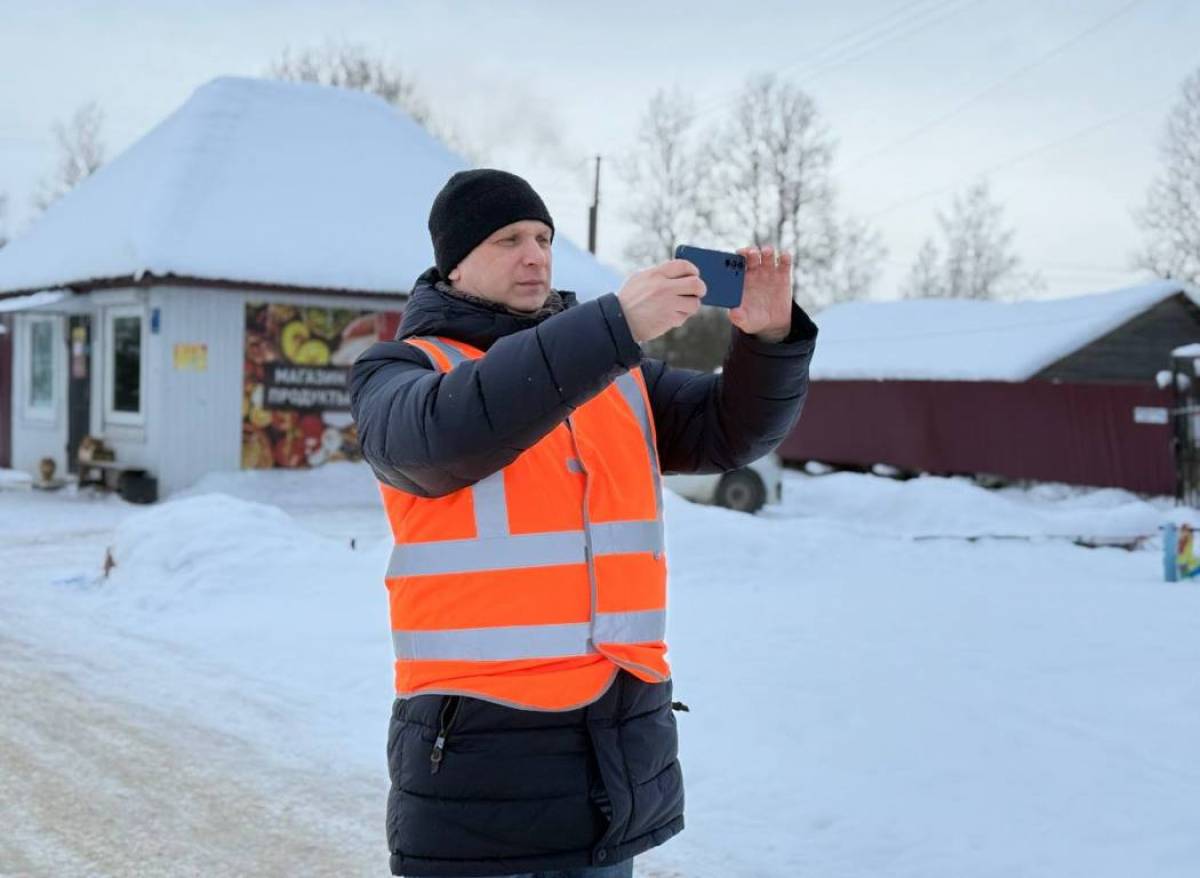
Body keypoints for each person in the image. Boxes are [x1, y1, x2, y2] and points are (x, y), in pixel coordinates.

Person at [349, 169, 818, 878]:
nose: (535, 254)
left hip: (606, 767)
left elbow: (729, 432)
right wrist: (613, 327)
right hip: (476, 775)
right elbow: (454, 431)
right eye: (509, 239)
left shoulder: (613, 372)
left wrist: (770, 339)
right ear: (454, 262)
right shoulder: (400, 373)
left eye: (543, 237)